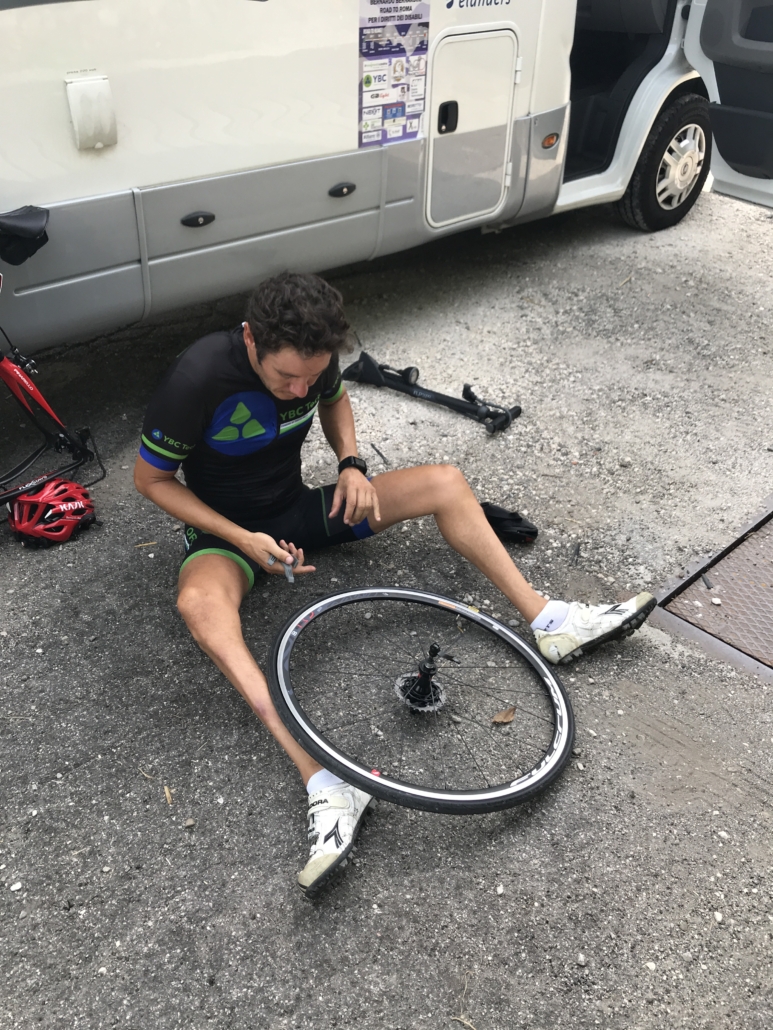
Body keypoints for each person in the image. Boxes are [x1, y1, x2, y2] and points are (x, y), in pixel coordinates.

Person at [134, 272, 654, 897]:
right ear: (251, 339)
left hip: (300, 513)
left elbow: (334, 400)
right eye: (285, 380)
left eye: (311, 375)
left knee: (446, 481)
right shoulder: (197, 378)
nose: (300, 388)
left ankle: (551, 622)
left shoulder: (315, 359)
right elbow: (151, 481)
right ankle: (327, 783)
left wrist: (351, 463)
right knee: (199, 606)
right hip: (227, 535)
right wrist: (242, 539)